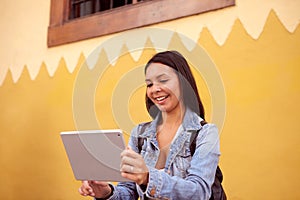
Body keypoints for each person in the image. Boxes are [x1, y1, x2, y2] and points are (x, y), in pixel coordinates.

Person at [78, 50, 220, 199]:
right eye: (149, 84)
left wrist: (148, 177)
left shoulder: (205, 133)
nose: (155, 89)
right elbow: (128, 191)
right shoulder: (139, 134)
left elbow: (199, 192)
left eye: (163, 80)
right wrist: (106, 193)